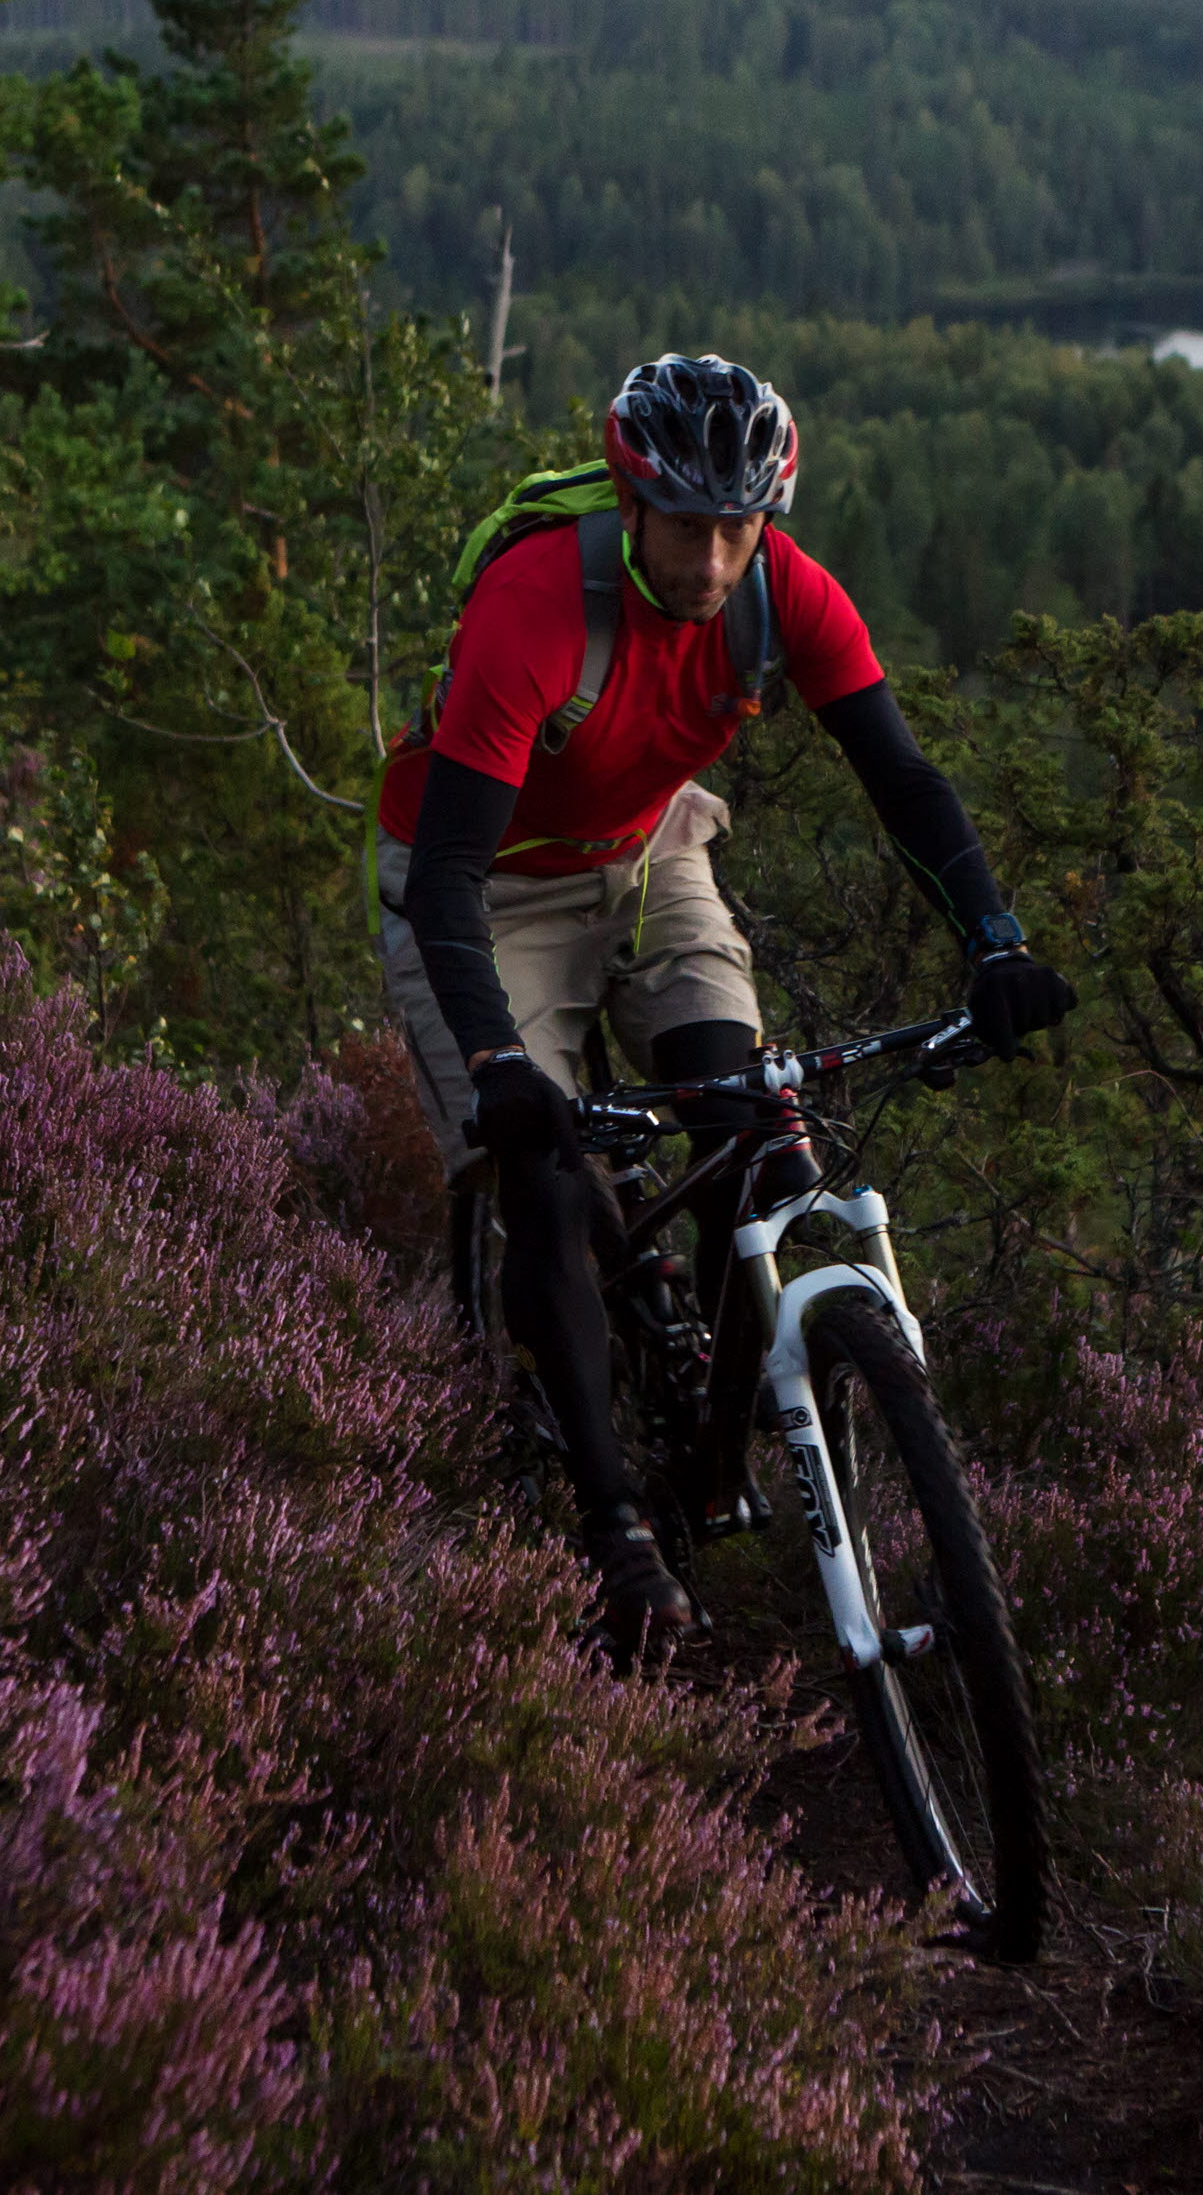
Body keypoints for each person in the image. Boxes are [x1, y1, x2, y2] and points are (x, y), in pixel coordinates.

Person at [377, 353, 1076, 1643]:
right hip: (493, 890)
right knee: (539, 1178)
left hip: (651, 856)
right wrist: (494, 1067)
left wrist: (994, 944)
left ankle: (710, 1435)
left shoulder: (784, 599)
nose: (710, 562)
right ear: (633, 508)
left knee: (755, 1130)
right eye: (687, 526)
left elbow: (903, 784)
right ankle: (612, 1529)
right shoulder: (538, 604)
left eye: (737, 527)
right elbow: (449, 880)